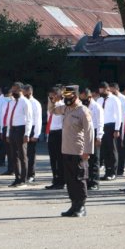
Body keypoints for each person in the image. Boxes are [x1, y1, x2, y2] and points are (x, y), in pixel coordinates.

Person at [49, 85, 94, 217]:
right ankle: (73, 205)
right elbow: (52, 111)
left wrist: (87, 151)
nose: (67, 99)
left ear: (76, 96)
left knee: (79, 178)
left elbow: (89, 132)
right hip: (66, 149)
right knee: (70, 180)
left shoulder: (83, 111)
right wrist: (52, 100)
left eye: (70, 97)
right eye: (65, 97)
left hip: (79, 150)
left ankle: (81, 206)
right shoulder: (66, 109)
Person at [5, 82, 33, 188]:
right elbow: (9, 118)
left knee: (22, 155)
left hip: (21, 129)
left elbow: (29, 119)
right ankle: (17, 177)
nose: (13, 91)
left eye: (15, 89)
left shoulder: (25, 102)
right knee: (13, 155)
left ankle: (23, 179)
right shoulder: (11, 102)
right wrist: (8, 133)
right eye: (12, 89)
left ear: (21, 90)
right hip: (13, 128)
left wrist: (27, 133)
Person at [97, 82, 122, 181]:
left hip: (111, 125)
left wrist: (117, 129)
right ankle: (107, 171)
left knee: (112, 149)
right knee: (104, 150)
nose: (101, 93)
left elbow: (119, 115)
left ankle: (113, 172)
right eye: (100, 91)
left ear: (108, 89)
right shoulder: (99, 100)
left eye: (103, 91)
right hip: (102, 126)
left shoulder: (115, 99)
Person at [44, 86, 65, 190]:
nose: (50, 99)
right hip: (52, 132)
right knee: (53, 158)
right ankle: (55, 179)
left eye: (52, 97)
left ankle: (61, 180)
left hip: (60, 133)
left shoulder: (62, 106)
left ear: (57, 96)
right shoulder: (51, 106)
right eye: (49, 97)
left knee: (59, 158)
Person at [23, 84, 43, 183]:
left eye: (25, 93)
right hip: (23, 128)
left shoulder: (35, 103)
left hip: (32, 129)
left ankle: (31, 174)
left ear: (30, 93)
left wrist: (36, 135)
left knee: (30, 154)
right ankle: (23, 173)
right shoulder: (22, 101)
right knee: (23, 154)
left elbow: (38, 120)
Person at [109, 83, 125, 176]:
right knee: (113, 147)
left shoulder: (123, 99)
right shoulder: (110, 98)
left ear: (117, 89)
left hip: (121, 124)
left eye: (113, 91)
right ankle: (113, 168)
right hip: (112, 124)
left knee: (120, 147)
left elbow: (123, 113)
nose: (112, 92)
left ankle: (120, 168)